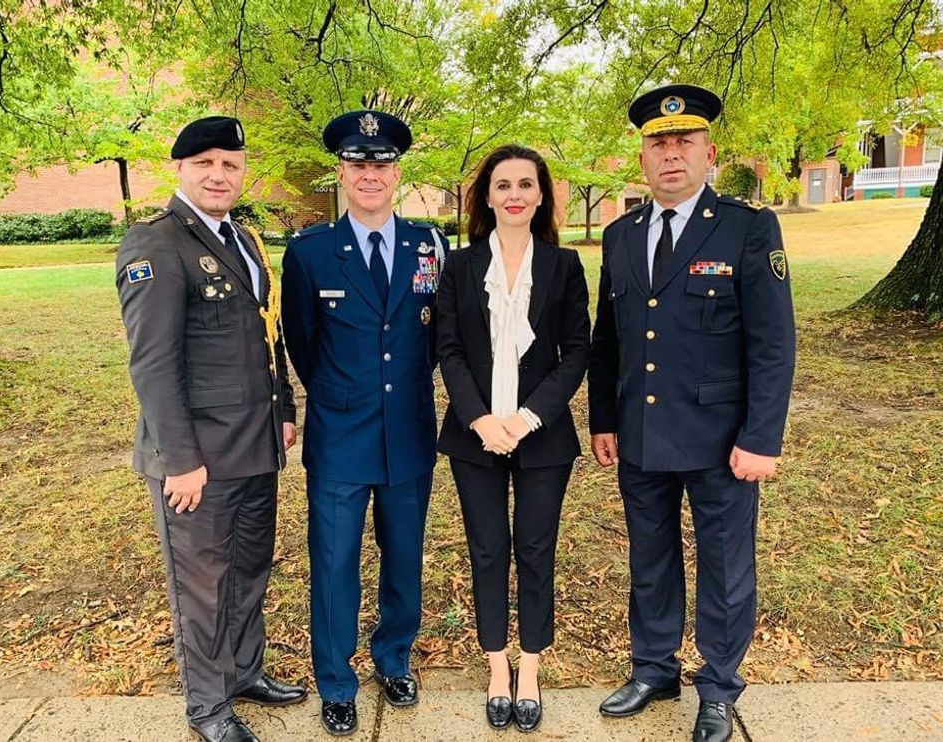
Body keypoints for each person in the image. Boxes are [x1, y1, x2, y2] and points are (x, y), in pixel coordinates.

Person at [588, 84, 796, 742]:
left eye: (684, 142)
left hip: (721, 441)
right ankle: (654, 667)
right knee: (650, 557)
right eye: (658, 143)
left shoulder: (746, 227)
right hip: (642, 434)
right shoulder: (620, 235)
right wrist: (603, 419)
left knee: (726, 565)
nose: (670, 154)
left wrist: (762, 437)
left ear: (709, 153)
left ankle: (718, 685)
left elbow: (772, 343)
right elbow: (609, 338)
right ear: (642, 158)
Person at [115, 116, 307, 742]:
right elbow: (153, 361)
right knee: (201, 586)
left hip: (254, 447)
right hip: (197, 461)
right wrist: (179, 459)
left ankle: (244, 673)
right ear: (181, 170)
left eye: (230, 163)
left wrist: (282, 409)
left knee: (250, 570)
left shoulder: (245, 240)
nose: (219, 175)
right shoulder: (156, 244)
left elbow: (264, 332)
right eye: (205, 164)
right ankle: (206, 708)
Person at [280, 110, 448, 737]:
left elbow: (435, 339)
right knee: (334, 563)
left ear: (396, 172)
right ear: (342, 172)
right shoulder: (312, 252)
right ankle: (336, 681)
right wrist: (343, 397)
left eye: (380, 164)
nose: (369, 174)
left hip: (407, 430)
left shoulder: (429, 244)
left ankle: (394, 658)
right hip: (340, 435)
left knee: (403, 556)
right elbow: (302, 341)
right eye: (358, 164)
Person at [436, 144, 590, 733]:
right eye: (503, 185)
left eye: (527, 184)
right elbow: (447, 348)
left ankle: (530, 667)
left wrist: (527, 419)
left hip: (542, 437)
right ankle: (496, 665)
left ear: (542, 195)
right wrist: (480, 419)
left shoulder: (565, 265)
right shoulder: (459, 265)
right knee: (487, 550)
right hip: (474, 434)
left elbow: (577, 348)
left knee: (534, 549)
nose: (516, 195)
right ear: (486, 197)